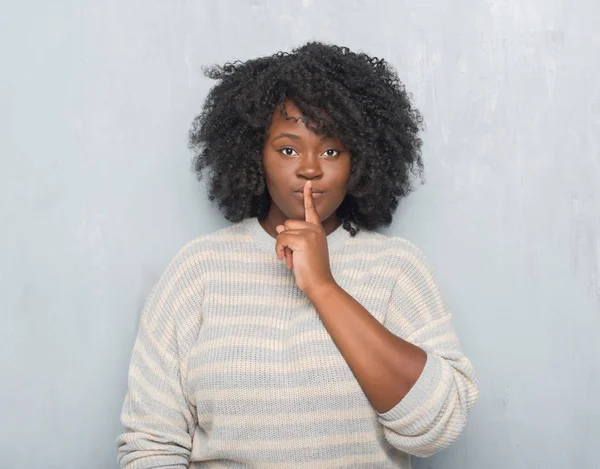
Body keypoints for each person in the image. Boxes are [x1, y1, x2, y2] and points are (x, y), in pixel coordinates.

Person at [116, 41, 479, 468]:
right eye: (288, 149)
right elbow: (151, 445)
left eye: (331, 150)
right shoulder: (198, 270)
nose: (310, 168)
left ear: (359, 161)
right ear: (255, 155)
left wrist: (323, 287)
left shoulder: (396, 268)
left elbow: (438, 426)